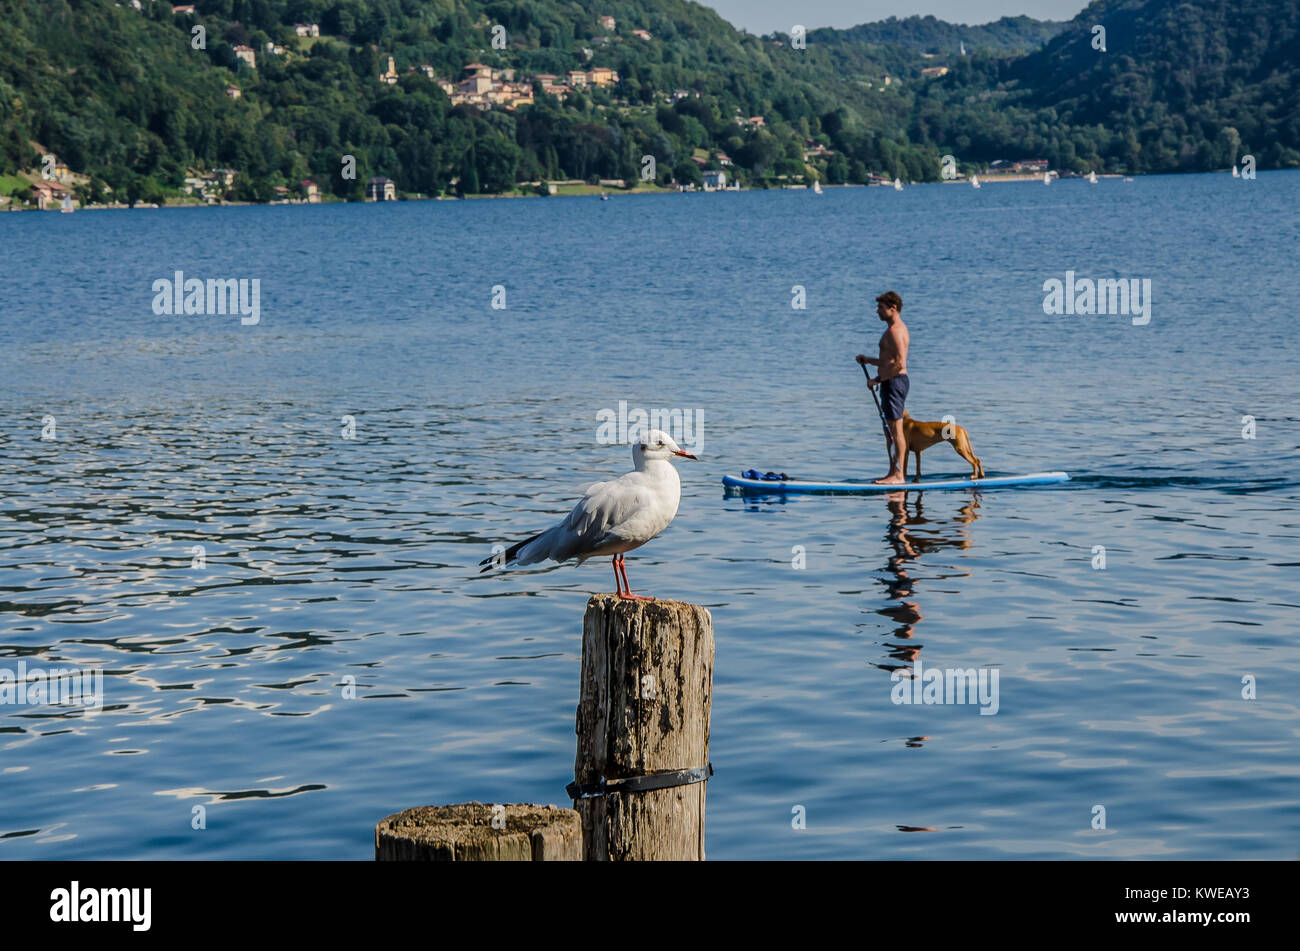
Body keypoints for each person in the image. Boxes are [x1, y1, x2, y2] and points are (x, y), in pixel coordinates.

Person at [855, 291, 910, 484]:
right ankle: (892, 473)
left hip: (895, 382)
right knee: (889, 431)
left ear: (892, 308)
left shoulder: (895, 331)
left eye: (881, 307)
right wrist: (869, 361)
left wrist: (877, 379)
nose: (877, 311)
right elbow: (889, 361)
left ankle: (898, 475)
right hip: (892, 381)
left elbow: (899, 364)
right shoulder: (895, 329)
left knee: (895, 430)